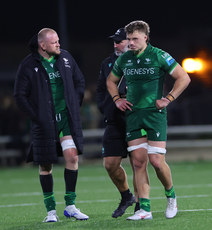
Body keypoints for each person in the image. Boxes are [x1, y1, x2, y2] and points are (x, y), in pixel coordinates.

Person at [107, 20, 191, 220]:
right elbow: (111, 81)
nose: (131, 43)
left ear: (146, 37)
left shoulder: (159, 55)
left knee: (156, 160)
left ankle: (171, 195)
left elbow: (184, 77)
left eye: (135, 39)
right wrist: (117, 99)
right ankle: (145, 209)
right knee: (137, 162)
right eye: (128, 39)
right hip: (134, 116)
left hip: (154, 115)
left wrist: (168, 99)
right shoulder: (125, 59)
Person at [14, 28, 89, 222]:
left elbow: (79, 82)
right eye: (54, 42)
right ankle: (51, 211)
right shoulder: (28, 65)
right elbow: (19, 95)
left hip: (65, 118)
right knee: (46, 164)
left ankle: (70, 206)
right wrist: (36, 116)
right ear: (43, 45)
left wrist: (73, 105)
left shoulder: (65, 58)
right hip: (44, 122)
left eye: (58, 41)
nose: (58, 44)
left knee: (72, 157)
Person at [96, 28, 139, 218]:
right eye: (114, 41)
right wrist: (105, 108)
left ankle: (141, 203)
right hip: (114, 120)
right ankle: (126, 196)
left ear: (129, 42)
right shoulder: (107, 63)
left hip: (135, 120)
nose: (115, 45)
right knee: (110, 164)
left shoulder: (139, 61)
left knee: (138, 163)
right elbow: (100, 89)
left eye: (119, 41)